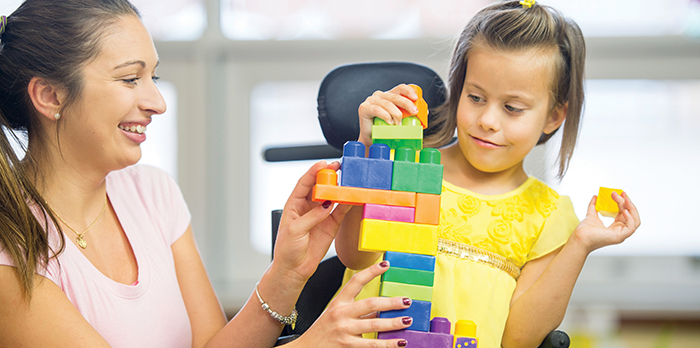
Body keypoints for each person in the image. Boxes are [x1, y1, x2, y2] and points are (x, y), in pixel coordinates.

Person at [0, 1, 415, 347]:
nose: (157, 102)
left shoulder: (152, 193)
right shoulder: (10, 252)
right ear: (49, 95)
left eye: (153, 76)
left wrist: (288, 273)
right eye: (130, 78)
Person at [334, 1, 642, 347]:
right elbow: (353, 256)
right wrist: (371, 152)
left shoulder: (549, 214)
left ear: (554, 116)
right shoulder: (406, 166)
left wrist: (580, 245)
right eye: (476, 97)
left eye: (512, 108)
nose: (488, 121)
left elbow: (519, 338)